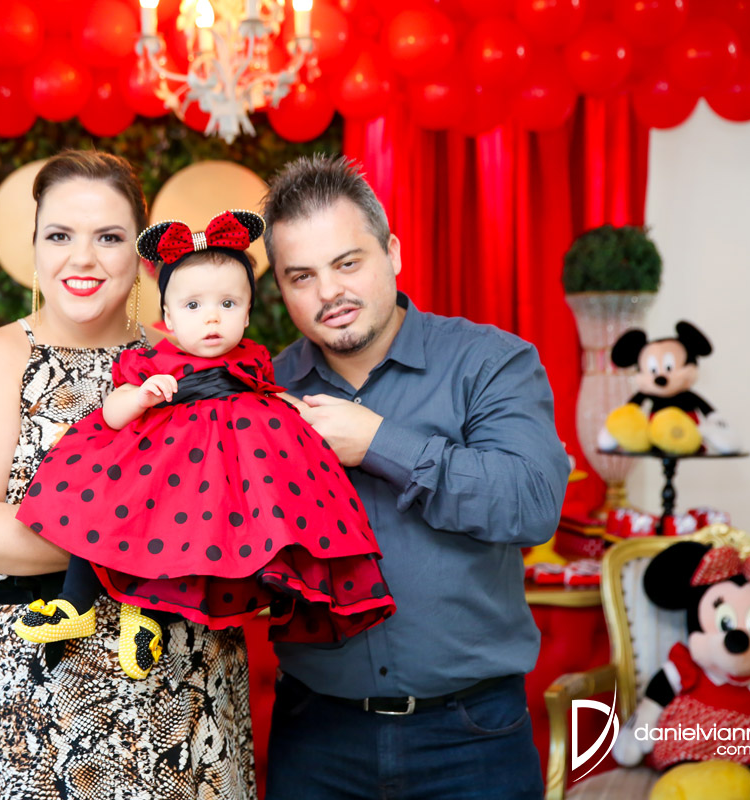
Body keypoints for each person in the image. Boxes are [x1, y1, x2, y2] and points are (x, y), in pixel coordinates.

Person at [0, 151, 255, 800]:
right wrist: (158, 535)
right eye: (59, 236)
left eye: (108, 237)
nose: (83, 258)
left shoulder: (183, 359)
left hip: (185, 684)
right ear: (35, 247)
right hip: (36, 696)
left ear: (140, 254)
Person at [260, 154, 571, 799]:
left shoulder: (490, 362)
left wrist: (378, 443)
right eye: (302, 276)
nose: (329, 293)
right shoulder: (266, 392)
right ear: (282, 289)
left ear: (393, 253)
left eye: (348, 263)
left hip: (473, 735)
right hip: (316, 736)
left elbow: (533, 502)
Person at [12, 210, 395, 680]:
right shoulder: (153, 361)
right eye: (193, 306)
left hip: (212, 477)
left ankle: (145, 617)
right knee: (104, 510)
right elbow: (111, 413)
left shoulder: (251, 362)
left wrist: (298, 415)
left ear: (248, 313)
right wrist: (142, 396)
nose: (212, 317)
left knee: (196, 536)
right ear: (169, 317)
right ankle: (76, 604)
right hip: (154, 461)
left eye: (228, 304)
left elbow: (269, 395)